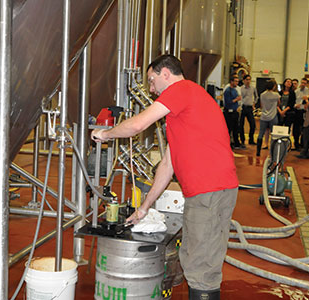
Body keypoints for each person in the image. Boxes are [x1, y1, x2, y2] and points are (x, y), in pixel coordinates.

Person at [91, 55, 238, 300]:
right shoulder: (186, 107)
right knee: (196, 259)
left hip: (208, 190)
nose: (150, 89)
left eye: (151, 80)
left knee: (201, 267)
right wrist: (144, 208)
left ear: (166, 74)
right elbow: (168, 165)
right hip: (210, 190)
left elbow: (138, 125)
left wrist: (105, 134)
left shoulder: (181, 90)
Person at [256, 79, 280, 157]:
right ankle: (272, 152)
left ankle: (258, 152)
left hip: (264, 116)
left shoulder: (262, 94)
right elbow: (278, 103)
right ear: (273, 86)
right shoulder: (276, 95)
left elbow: (261, 105)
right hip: (273, 116)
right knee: (273, 135)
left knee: (260, 134)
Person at [224, 76, 244, 149]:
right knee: (229, 128)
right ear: (231, 82)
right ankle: (227, 143)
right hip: (229, 113)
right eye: (235, 81)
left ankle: (236, 143)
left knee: (236, 128)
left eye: (237, 81)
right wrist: (236, 99)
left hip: (235, 112)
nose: (237, 83)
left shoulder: (235, 91)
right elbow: (228, 102)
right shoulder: (227, 91)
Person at [239, 74, 258, 145]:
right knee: (241, 125)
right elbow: (239, 97)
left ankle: (251, 139)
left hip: (250, 108)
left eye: (249, 79)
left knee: (253, 124)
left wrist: (254, 103)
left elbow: (256, 97)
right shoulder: (241, 88)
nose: (248, 81)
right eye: (246, 79)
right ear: (243, 80)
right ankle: (242, 140)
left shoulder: (253, 88)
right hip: (243, 107)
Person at [294, 78, 309, 150]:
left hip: (305, 111)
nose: (303, 84)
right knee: (296, 129)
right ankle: (296, 144)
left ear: (306, 84)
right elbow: (293, 101)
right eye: (302, 83)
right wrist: (295, 105)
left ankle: (303, 144)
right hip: (297, 111)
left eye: (305, 83)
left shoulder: (308, 91)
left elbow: (308, 101)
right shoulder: (296, 91)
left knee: (304, 128)